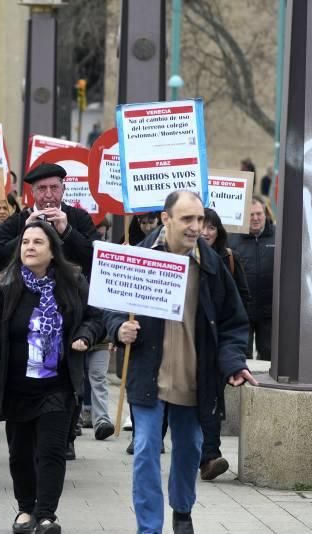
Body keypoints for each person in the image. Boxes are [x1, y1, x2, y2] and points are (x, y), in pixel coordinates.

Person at [105, 191, 256, 534]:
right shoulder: (139, 257)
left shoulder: (213, 267)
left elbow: (233, 323)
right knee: (144, 450)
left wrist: (234, 363)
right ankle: (149, 528)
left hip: (194, 379)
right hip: (149, 375)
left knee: (190, 449)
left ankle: (182, 510)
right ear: (166, 219)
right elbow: (111, 306)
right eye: (187, 219)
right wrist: (118, 328)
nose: (196, 227)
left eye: (200, 219)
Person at [0, 221, 103, 533]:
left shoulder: (74, 282)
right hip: (16, 387)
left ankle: (47, 514)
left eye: (38, 242)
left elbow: (95, 318)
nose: (30, 247)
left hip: (58, 385)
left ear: (52, 251)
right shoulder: (4, 285)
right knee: (20, 454)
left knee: (51, 452)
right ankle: (26, 509)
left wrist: (85, 336)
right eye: (25, 242)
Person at [196, 207, 251, 481]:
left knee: (211, 402)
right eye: (201, 225)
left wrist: (235, 352)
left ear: (219, 232)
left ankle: (209, 456)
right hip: (186, 345)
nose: (205, 232)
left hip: (216, 344)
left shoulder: (228, 259)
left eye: (211, 227)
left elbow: (239, 303)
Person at [0, 163, 99, 278]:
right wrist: (24, 234)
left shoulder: (79, 217)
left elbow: (96, 260)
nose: (48, 195)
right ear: (32, 192)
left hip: (69, 292)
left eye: (54, 188)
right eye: (42, 188)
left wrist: (68, 232)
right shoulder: (17, 220)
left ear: (63, 189)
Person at [229, 196, 274, 362]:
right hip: (243, 311)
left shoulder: (279, 236)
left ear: (265, 213)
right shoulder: (232, 239)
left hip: (270, 311)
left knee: (269, 356)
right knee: (242, 355)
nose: (255, 218)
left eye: (259, 214)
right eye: (251, 214)